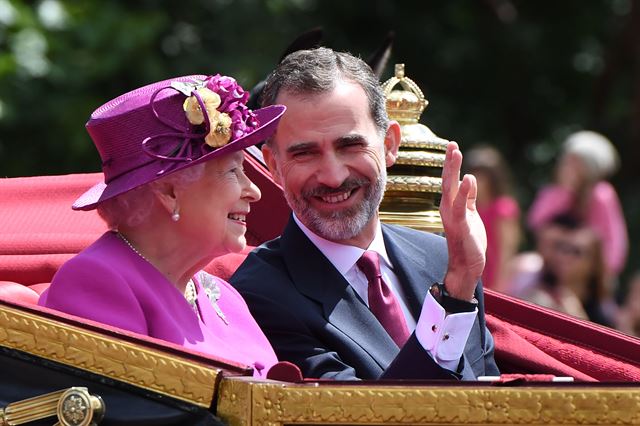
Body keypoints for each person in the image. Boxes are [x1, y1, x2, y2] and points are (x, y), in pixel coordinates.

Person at [230, 47, 499, 380]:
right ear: (273, 166)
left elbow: (490, 398)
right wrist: (453, 299)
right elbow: (369, 414)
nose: (333, 176)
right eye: (305, 153)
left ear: (389, 145)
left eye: (350, 146)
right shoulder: (259, 295)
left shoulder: (441, 258)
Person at [38, 74, 286, 378]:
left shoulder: (224, 295)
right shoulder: (97, 281)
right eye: (234, 171)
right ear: (169, 193)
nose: (254, 191)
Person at [527, 130, 628, 283]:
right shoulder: (555, 191)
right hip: (550, 269)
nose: (568, 167)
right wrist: (564, 191)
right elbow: (535, 222)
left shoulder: (602, 194)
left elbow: (613, 246)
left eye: (576, 162)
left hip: (588, 277)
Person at [506, 214, 616, 327]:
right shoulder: (536, 292)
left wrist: (577, 318)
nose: (565, 256)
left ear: (593, 264)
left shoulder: (603, 312)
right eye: (562, 247)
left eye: (576, 251)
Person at [463, 145, 521, 292]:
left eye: (482, 176)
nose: (477, 180)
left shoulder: (503, 207)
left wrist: (500, 286)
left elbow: (507, 250)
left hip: (495, 278)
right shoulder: (469, 207)